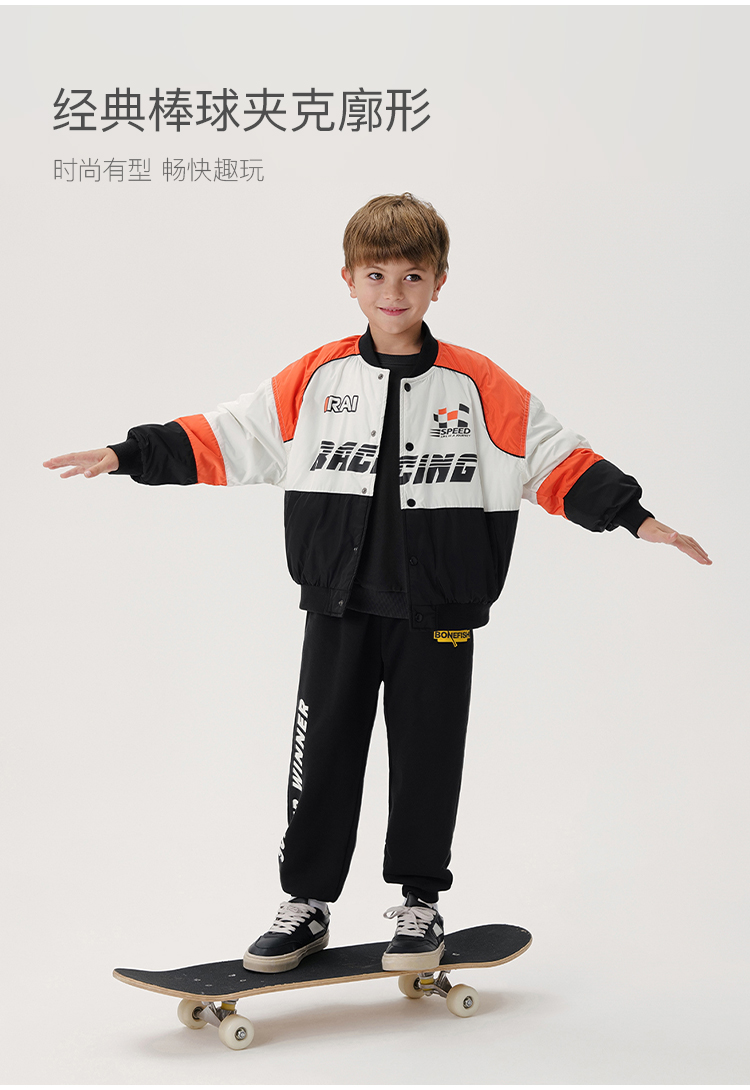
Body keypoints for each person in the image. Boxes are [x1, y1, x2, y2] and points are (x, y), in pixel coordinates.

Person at [44, 193, 711, 975]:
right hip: (339, 603)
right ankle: (306, 904)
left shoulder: (478, 384)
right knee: (323, 754)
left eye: (412, 276)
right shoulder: (316, 377)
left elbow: (553, 456)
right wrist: (128, 454)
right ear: (350, 280)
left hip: (440, 609)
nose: (393, 292)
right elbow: (230, 435)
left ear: (439, 283)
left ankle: (421, 904)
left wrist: (635, 517)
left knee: (428, 756)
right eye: (376, 274)